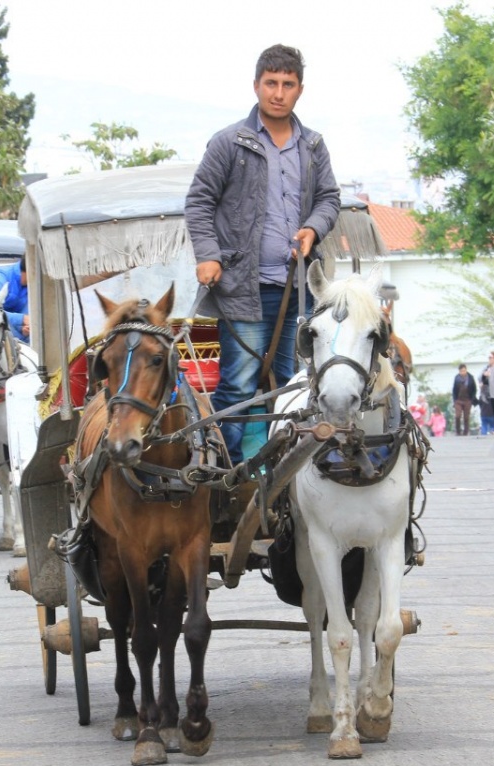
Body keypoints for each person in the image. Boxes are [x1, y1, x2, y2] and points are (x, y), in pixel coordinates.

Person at [185, 44, 341, 464]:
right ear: (256, 86)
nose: (278, 92)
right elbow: (199, 202)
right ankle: (229, 477)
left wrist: (312, 227)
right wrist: (208, 254)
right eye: (271, 83)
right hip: (242, 288)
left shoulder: (313, 146)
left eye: (287, 84)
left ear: (299, 91)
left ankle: (288, 478)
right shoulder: (229, 143)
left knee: (293, 385)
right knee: (237, 385)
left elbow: (329, 198)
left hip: (297, 291)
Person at [452, 364, 477, 436]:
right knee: (458, 416)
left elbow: (474, 389)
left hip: (467, 400)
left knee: (466, 416)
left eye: (464, 370)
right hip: (458, 400)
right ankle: (458, 431)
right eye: (461, 371)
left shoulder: (470, 378)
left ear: (466, 370)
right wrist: (455, 400)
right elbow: (454, 390)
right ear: (459, 371)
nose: (463, 372)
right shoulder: (456, 378)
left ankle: (466, 432)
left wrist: (472, 399)